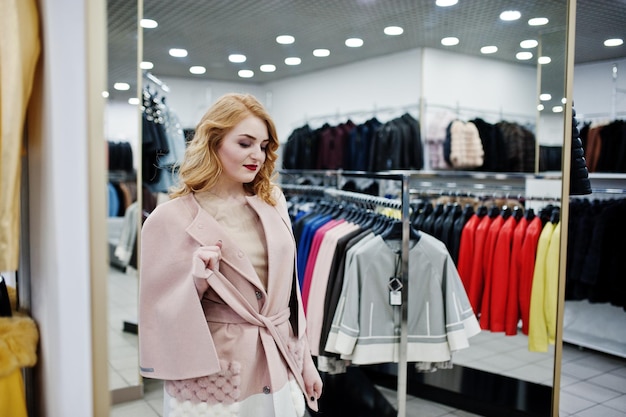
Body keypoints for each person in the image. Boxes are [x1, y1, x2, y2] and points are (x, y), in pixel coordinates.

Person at [138, 93, 323, 417]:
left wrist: (305, 361)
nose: (258, 155)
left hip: (279, 360)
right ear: (214, 142)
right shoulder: (169, 219)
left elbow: (290, 296)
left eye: (264, 146)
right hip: (217, 373)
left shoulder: (272, 201)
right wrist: (196, 282)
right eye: (245, 143)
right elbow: (157, 314)